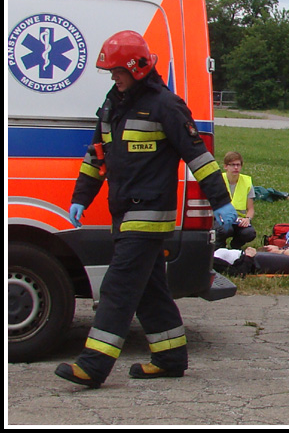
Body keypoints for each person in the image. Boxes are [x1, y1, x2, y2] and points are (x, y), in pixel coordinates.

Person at [56, 30, 238, 389]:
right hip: (122, 213)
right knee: (151, 289)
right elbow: (97, 156)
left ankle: (93, 366)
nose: (113, 78)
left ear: (137, 67)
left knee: (118, 287)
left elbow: (198, 157)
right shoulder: (113, 105)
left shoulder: (165, 106)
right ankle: (169, 358)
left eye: (117, 71)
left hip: (149, 215)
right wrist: (82, 195)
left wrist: (221, 201)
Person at [217, 151, 257, 249]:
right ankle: (220, 245)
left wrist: (247, 219)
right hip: (221, 219)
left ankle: (236, 246)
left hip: (239, 220)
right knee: (225, 229)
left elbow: (250, 209)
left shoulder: (246, 182)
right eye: (232, 165)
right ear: (226, 166)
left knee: (249, 233)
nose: (236, 168)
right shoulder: (218, 180)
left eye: (238, 165)